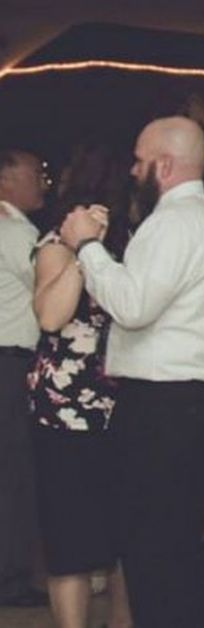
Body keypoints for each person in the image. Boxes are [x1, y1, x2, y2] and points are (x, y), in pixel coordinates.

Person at [60, 116, 204, 628]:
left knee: (151, 551)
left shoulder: (174, 223)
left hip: (165, 405)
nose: (132, 170)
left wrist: (87, 246)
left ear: (163, 166)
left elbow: (132, 305)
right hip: (198, 401)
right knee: (177, 545)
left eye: (140, 161)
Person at [29, 141, 132, 628]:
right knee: (69, 537)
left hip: (128, 402)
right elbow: (51, 317)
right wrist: (83, 249)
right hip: (65, 408)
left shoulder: (139, 245)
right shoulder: (57, 244)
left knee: (126, 537)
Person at [0, 149, 48, 609]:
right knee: (13, 473)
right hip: (9, 363)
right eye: (36, 173)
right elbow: (48, 288)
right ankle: (9, 578)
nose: (43, 181)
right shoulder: (15, 231)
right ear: (6, 179)